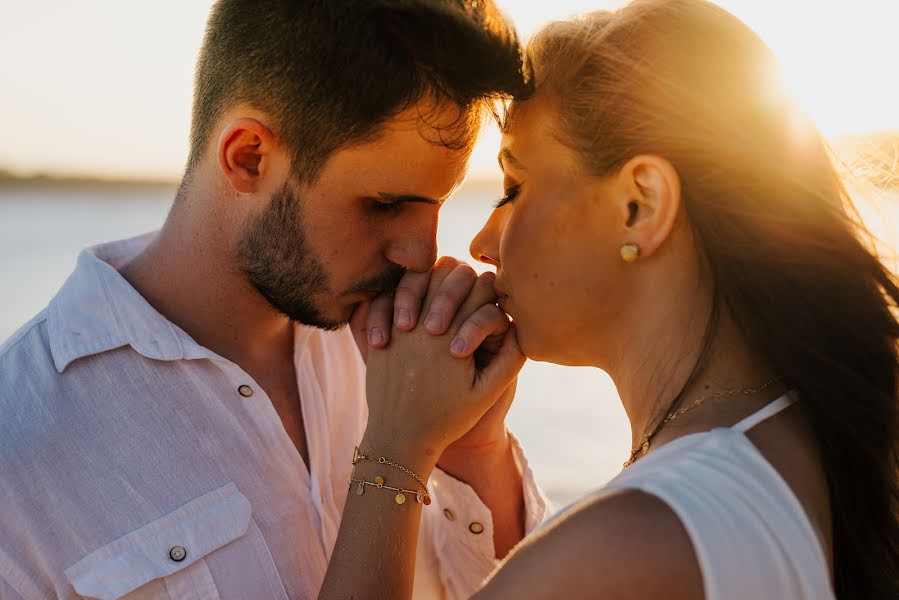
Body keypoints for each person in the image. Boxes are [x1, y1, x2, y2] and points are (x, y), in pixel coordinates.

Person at [321, 0, 899, 598]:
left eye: (515, 187)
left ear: (639, 207)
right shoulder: (799, 439)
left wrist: (396, 451)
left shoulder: (628, 544)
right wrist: (476, 454)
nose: (482, 242)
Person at [0, 2, 552, 599]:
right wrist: (399, 454)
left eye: (438, 204)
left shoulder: (409, 350)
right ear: (248, 156)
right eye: (385, 206)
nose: (421, 254)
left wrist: (473, 451)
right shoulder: (19, 447)